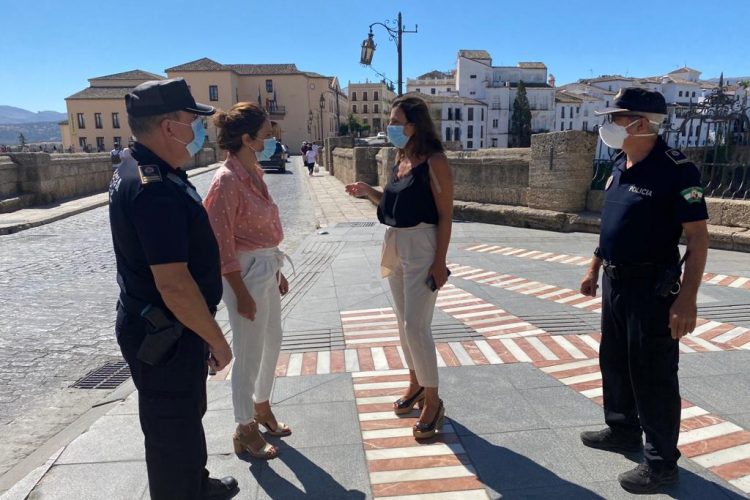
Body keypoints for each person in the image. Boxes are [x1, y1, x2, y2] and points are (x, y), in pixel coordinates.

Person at [109, 78, 238, 500]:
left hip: (165, 326)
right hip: (166, 330)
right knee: (171, 429)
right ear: (169, 127)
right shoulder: (155, 190)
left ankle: (194, 485)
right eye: (192, 121)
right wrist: (216, 340)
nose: (199, 130)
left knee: (181, 418)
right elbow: (174, 283)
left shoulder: (143, 166)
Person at [579, 88, 709, 494]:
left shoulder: (677, 170)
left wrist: (686, 299)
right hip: (615, 280)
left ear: (640, 123)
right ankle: (621, 429)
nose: (608, 125)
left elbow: (698, 239)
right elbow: (613, 223)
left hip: (652, 286)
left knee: (653, 373)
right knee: (614, 360)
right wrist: (594, 266)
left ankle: (661, 463)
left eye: (615, 118)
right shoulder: (621, 160)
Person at [345, 95, 454, 439]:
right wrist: (369, 192)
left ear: (415, 124)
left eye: (396, 121)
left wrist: (440, 261)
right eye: (390, 121)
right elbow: (394, 203)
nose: (390, 127)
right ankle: (415, 384)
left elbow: (446, 215)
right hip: (396, 242)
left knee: (416, 325)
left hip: (423, 244)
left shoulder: (435, 162)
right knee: (402, 323)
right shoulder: (400, 158)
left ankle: (433, 399)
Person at [203, 102, 291, 461]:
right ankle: (244, 427)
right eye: (266, 135)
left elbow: (263, 231)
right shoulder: (225, 182)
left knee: (272, 341)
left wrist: (277, 270)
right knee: (249, 350)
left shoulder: (254, 171)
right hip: (244, 272)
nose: (271, 141)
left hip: (265, 266)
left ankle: (262, 405)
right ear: (246, 138)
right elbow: (221, 245)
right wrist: (241, 293)